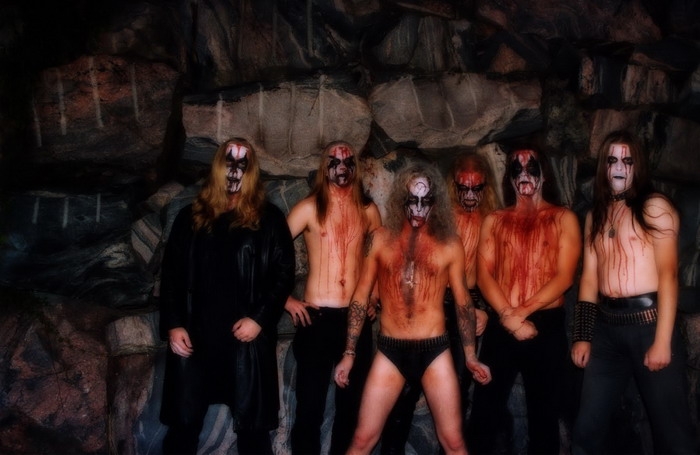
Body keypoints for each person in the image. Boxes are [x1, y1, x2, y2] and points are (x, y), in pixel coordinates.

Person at [334, 161, 492, 455]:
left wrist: (471, 357)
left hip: (435, 350)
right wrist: (349, 354)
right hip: (391, 349)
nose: (419, 208)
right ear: (400, 200)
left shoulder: (449, 244)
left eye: (426, 201)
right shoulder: (379, 238)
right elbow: (360, 297)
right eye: (412, 200)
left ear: (436, 203)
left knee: (454, 442)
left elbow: (462, 302)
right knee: (363, 439)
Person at [158, 138, 295, 455]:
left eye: (243, 163)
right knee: (182, 428)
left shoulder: (269, 219)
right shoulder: (190, 217)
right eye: (229, 162)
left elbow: (283, 274)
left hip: (245, 340)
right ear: (218, 166)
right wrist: (174, 324)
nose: (235, 170)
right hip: (196, 336)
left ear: (251, 171)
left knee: (253, 433)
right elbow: (171, 274)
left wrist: (259, 319)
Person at [571, 131, 698, 454]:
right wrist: (583, 336)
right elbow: (589, 279)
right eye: (612, 160)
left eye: (627, 160)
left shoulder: (655, 207)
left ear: (637, 166)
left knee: (673, 433)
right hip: (606, 330)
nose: (619, 167)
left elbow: (669, 275)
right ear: (603, 166)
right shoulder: (596, 215)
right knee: (587, 429)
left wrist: (662, 341)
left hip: (649, 324)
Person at [380, 153, 501, 454]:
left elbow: (499, 272)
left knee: (456, 392)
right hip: (429, 305)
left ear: (486, 187)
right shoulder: (437, 218)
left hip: (467, 303)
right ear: (452, 186)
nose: (469, 195)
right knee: (402, 394)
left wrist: (486, 309)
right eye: (463, 187)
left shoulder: (493, 220)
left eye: (476, 188)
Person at [467, 146, 581, 455]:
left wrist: (522, 313)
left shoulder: (563, 218)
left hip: (545, 325)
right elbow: (483, 275)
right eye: (517, 169)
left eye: (532, 168)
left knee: (544, 415)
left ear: (544, 175)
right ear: (509, 178)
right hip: (503, 321)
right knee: (484, 411)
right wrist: (508, 315)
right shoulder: (495, 220)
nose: (525, 175)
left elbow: (565, 277)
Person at [286, 141, 382, 455]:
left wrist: (374, 297)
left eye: (348, 160)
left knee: (351, 408)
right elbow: (269, 253)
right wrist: (286, 300)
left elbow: (378, 259)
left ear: (356, 166)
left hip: (354, 320)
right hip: (316, 318)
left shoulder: (368, 210)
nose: (342, 167)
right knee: (309, 406)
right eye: (334, 160)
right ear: (323, 166)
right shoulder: (308, 208)